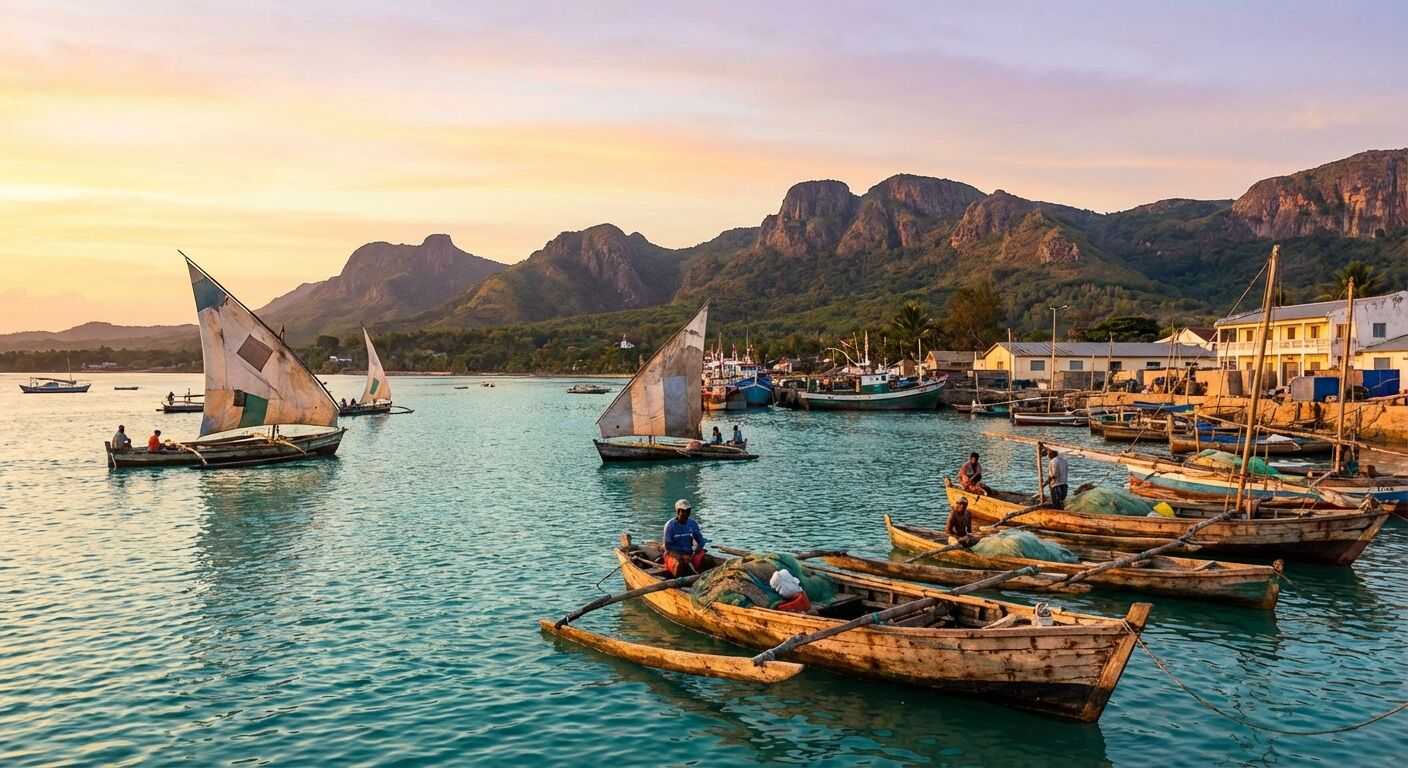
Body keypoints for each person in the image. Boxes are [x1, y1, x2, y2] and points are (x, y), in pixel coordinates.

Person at [663, 499, 707, 576]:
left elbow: (700, 540)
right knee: (680, 565)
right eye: (683, 511)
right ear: (677, 511)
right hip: (673, 555)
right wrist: (681, 556)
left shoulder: (693, 523)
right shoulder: (670, 525)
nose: (686, 513)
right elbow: (668, 548)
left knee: (707, 560)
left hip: (690, 554)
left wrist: (697, 550)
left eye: (688, 511)